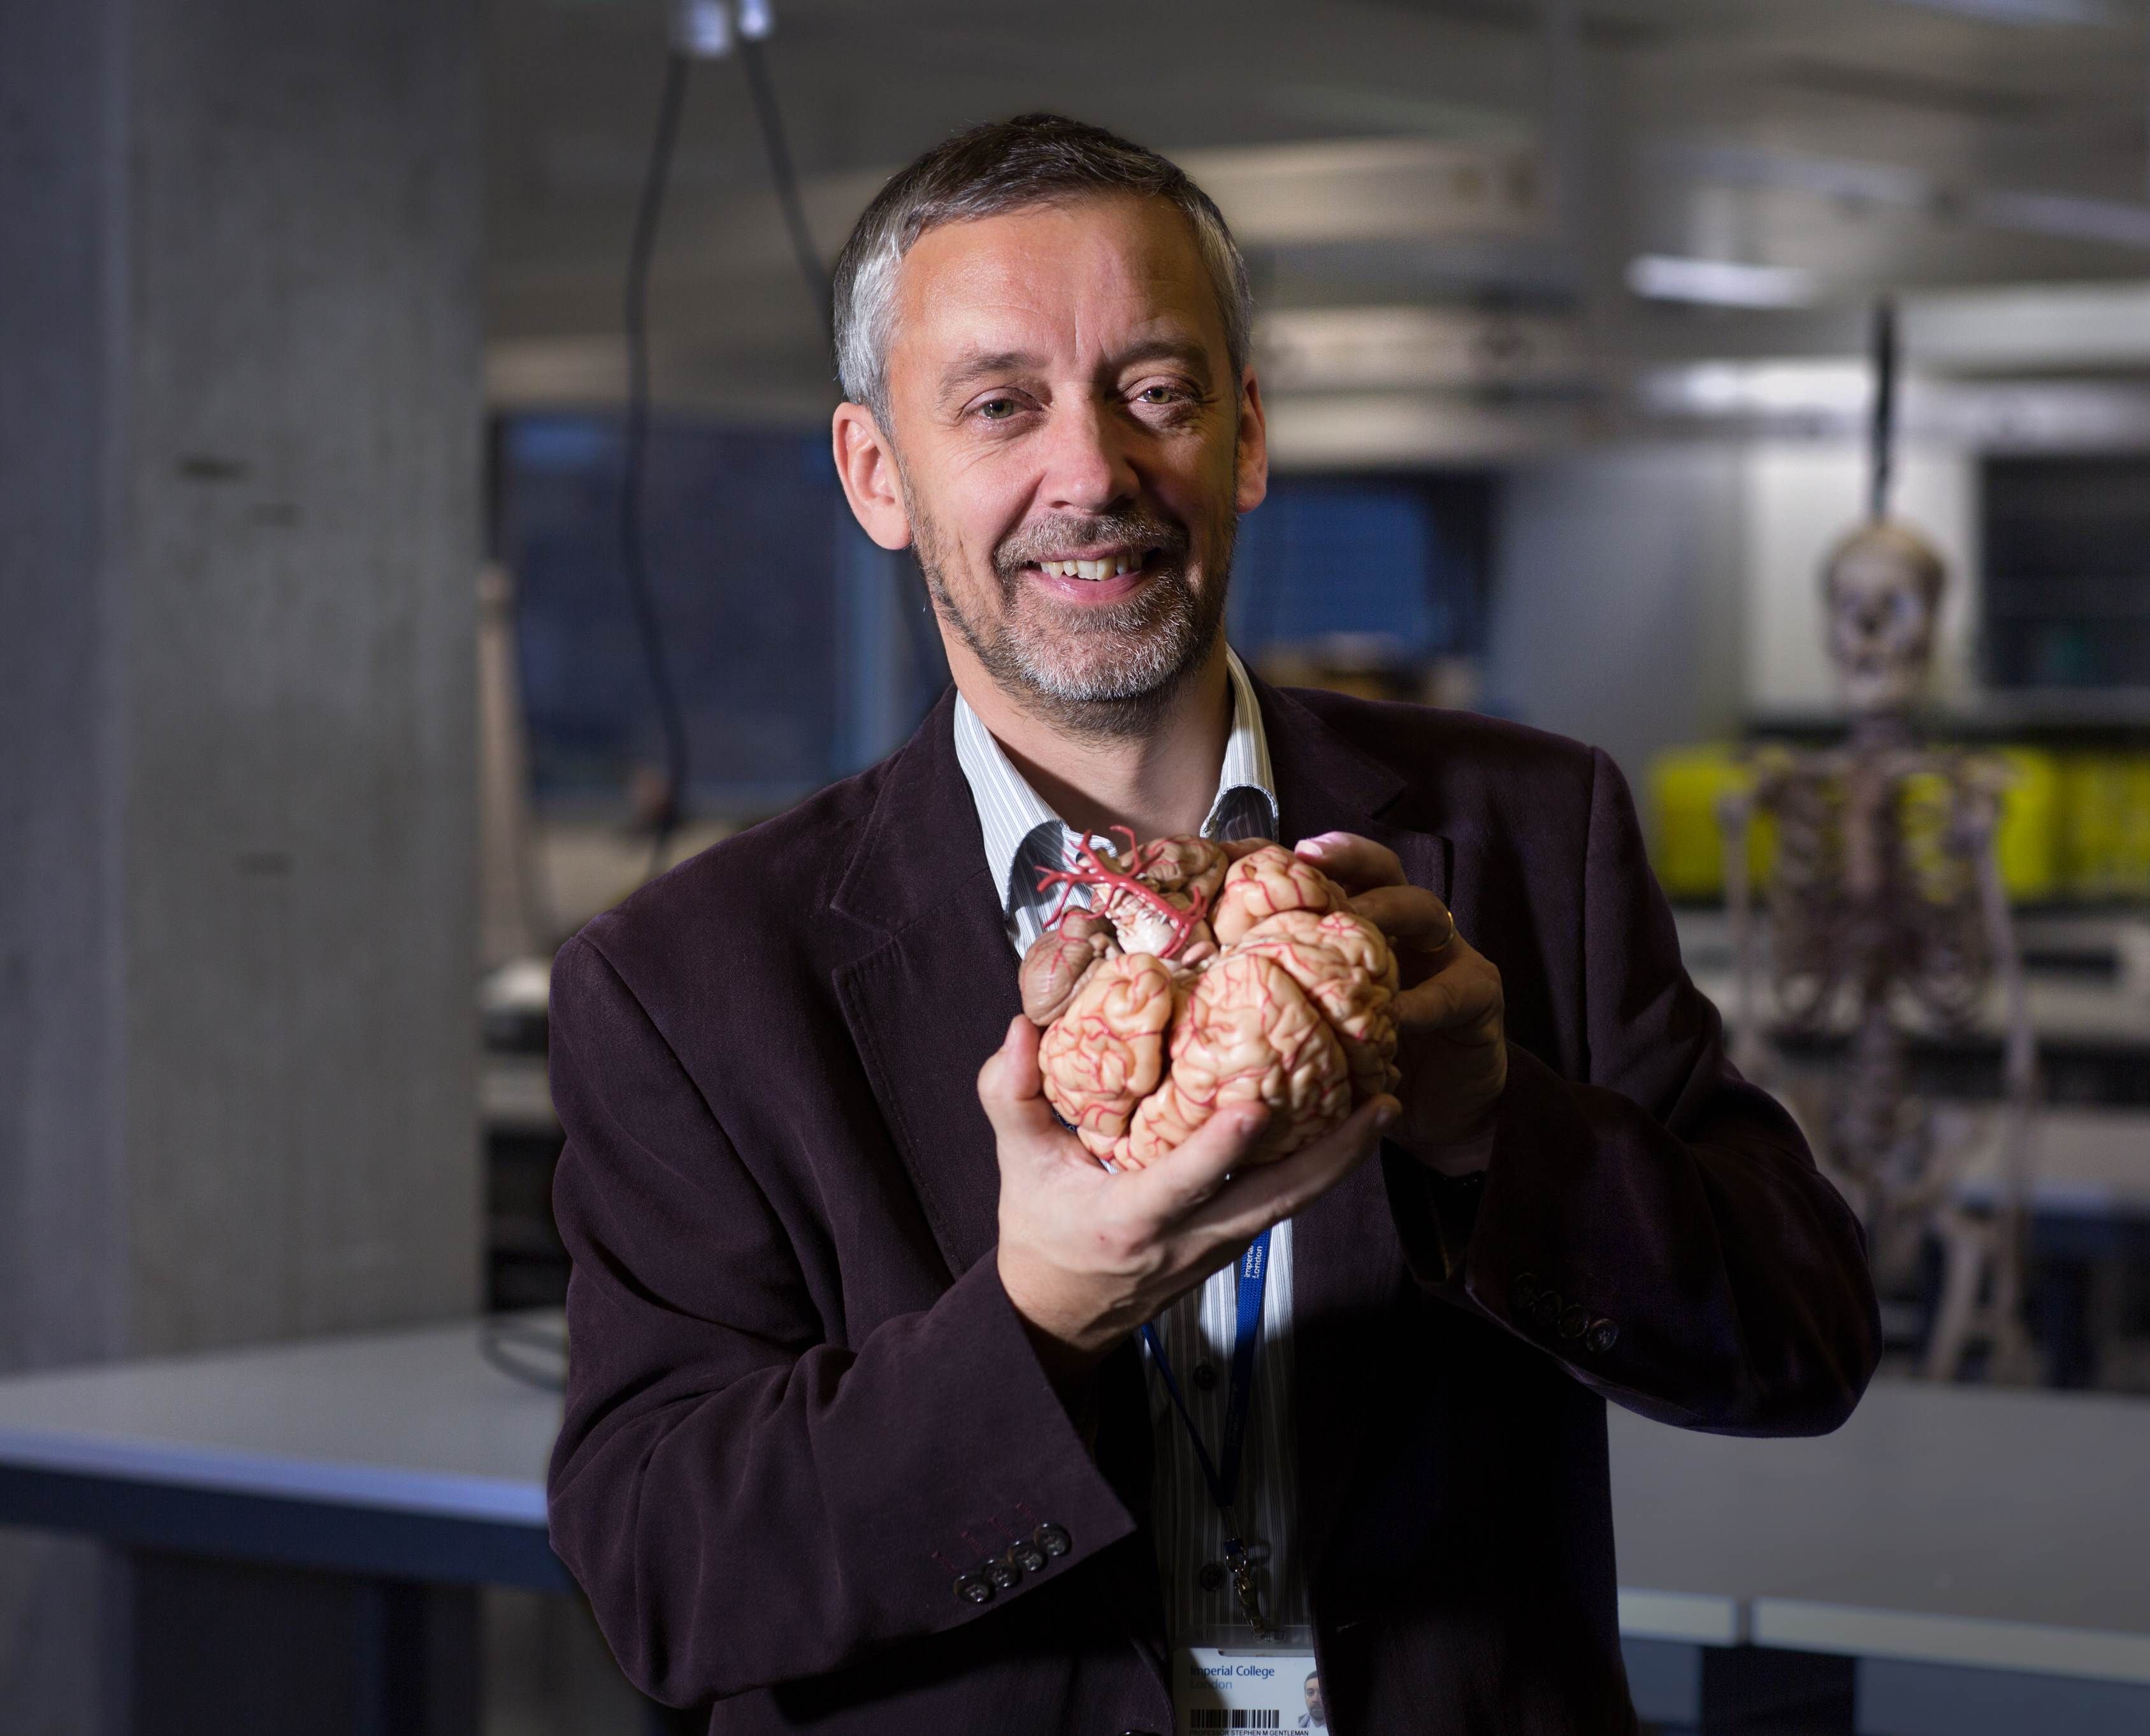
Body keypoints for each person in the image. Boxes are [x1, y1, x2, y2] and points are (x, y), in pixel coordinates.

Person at [544, 113, 1879, 1736]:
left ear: (1243, 437)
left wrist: (1492, 1125)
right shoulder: (693, 982)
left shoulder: (1532, 833)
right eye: (1000, 405)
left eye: (1155, 392)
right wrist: (1038, 1314)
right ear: (877, 475)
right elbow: (671, 1577)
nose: (1091, 471)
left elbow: (1802, 1339)